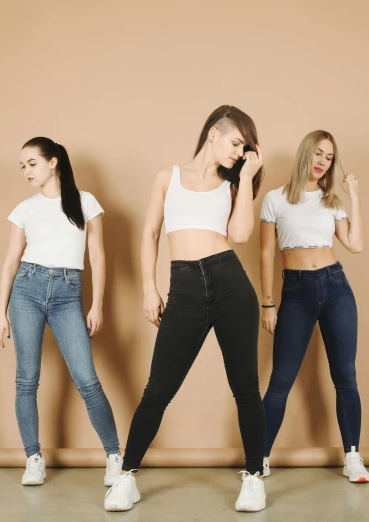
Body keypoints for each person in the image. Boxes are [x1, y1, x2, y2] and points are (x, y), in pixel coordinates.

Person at [104, 106, 267, 512]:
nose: (237, 153)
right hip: (186, 289)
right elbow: (150, 233)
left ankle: (253, 479)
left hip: (231, 286)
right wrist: (148, 287)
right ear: (213, 133)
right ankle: (126, 478)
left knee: (245, 389)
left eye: (244, 149)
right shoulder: (167, 177)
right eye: (235, 144)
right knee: (158, 390)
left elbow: (241, 233)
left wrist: (245, 178)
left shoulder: (232, 184)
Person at [0, 137, 122, 487]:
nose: (26, 171)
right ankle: (33, 458)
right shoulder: (24, 209)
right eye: (22, 166)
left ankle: (114, 456)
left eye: (31, 163)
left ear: (53, 163)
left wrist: (96, 304)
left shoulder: (85, 202)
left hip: (69, 292)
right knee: (27, 380)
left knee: (87, 380)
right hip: (27, 289)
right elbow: (9, 263)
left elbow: (97, 256)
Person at [258, 130, 369, 483]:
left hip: (336, 287)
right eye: (319, 153)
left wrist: (355, 197)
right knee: (280, 381)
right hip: (296, 292)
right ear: (306, 153)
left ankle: (352, 456)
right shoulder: (275, 199)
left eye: (329, 157)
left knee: (345, 377)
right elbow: (265, 254)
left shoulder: (331, 201)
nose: (323, 162)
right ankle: (258, 457)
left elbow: (355, 244)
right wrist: (268, 303)